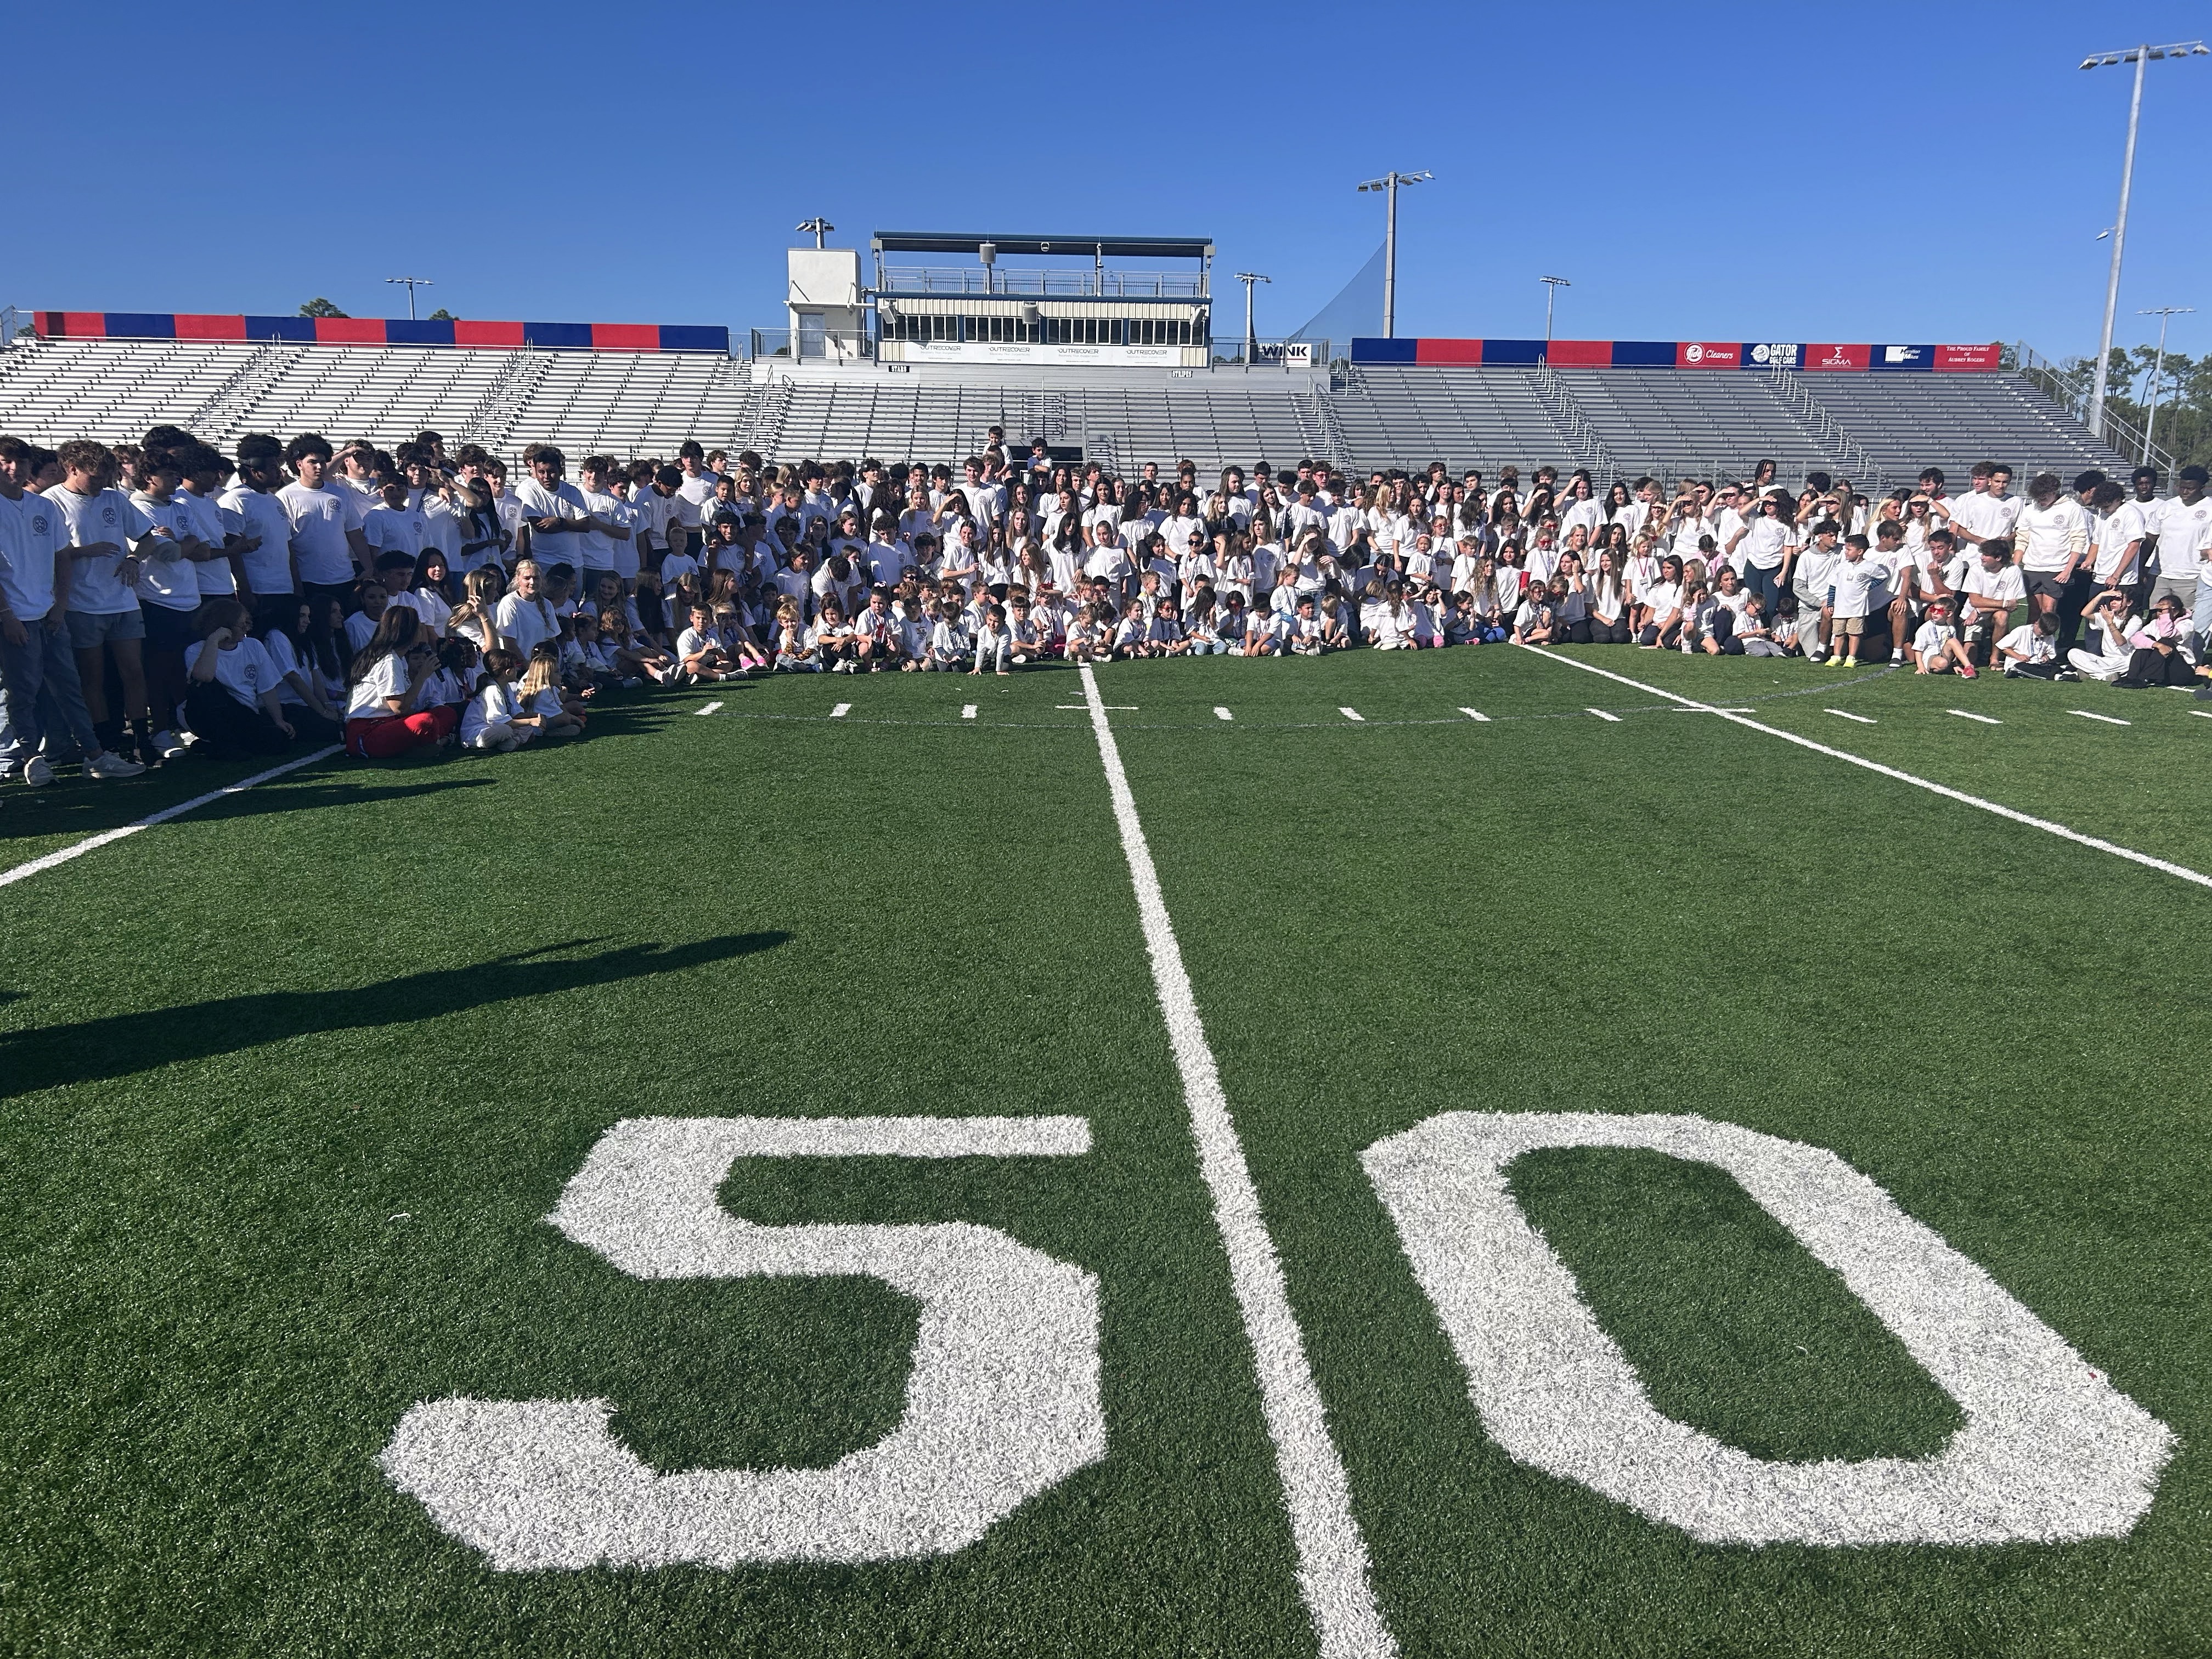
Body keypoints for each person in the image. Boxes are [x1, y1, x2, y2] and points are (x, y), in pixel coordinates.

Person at [0, 436, 146, 783]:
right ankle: (29, 757)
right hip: (14, 617)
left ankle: (95, 755)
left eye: (21, 461)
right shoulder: (50, 501)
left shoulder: (41, 506)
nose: (15, 468)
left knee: (70, 687)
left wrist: (60, 606)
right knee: (22, 692)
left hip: (49, 613)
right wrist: (7, 616)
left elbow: (61, 557)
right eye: (6, 461)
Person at [182, 600, 295, 757]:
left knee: (278, 741)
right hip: (211, 713)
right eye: (242, 625)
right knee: (205, 687)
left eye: (247, 623)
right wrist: (213, 641)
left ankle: (213, 746)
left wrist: (279, 720)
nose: (246, 629)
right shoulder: (196, 650)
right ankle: (225, 746)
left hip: (245, 713)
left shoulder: (254, 646)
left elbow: (267, 688)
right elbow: (204, 676)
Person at [343, 607, 458, 758]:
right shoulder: (388, 660)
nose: (421, 632)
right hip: (367, 731)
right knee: (427, 722)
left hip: (389, 723)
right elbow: (400, 708)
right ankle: (433, 743)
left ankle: (426, 745)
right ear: (408, 633)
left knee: (446, 713)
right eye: (418, 628)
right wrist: (422, 676)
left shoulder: (398, 658)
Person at [461, 647, 530, 751]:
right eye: (515, 667)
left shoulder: (506, 687)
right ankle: (509, 741)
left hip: (495, 727)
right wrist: (530, 721)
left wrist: (535, 717)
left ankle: (507, 742)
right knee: (505, 730)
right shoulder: (492, 690)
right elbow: (499, 722)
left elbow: (516, 714)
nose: (518, 670)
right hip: (477, 733)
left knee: (526, 728)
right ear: (508, 672)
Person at [1908, 599, 1977, 677]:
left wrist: (1955, 665)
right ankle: (1944, 666)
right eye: (1933, 610)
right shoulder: (1925, 628)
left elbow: (1954, 650)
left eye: (1939, 611)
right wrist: (1921, 667)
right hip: (1930, 657)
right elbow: (1918, 649)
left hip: (1944, 654)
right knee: (1943, 663)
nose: (1935, 613)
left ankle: (1968, 667)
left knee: (1953, 641)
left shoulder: (1951, 628)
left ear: (1949, 613)